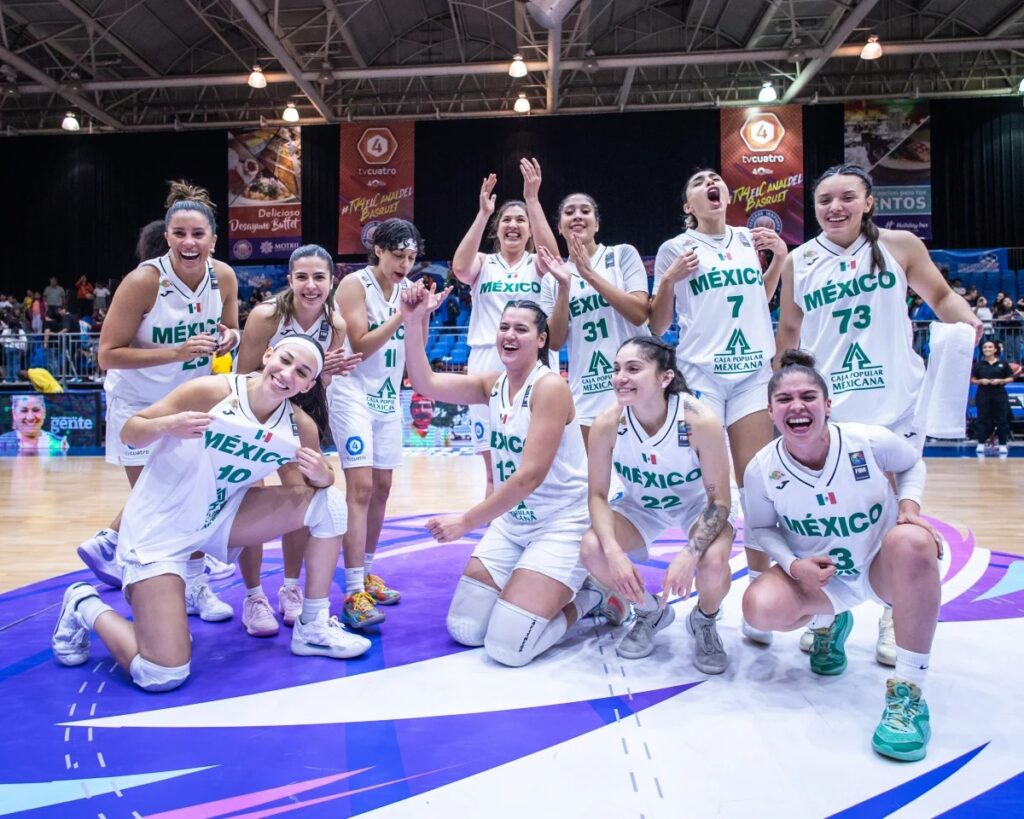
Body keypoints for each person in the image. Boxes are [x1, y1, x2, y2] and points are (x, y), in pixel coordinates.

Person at [51, 338, 371, 692]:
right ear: (268, 355)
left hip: (218, 518)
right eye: (285, 360)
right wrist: (166, 426)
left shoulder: (300, 426)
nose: (287, 374)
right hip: (158, 532)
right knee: (162, 674)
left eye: (301, 372)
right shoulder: (211, 391)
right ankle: (83, 604)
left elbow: (304, 492)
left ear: (308, 385)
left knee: (331, 503)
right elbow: (130, 433)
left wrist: (324, 477)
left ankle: (312, 626)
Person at [774, 163, 980, 664]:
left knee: (895, 515)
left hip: (894, 400)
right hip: (831, 408)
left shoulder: (900, 245)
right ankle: (831, 612)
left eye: (846, 197)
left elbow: (941, 296)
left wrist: (967, 322)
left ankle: (893, 612)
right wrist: (781, 389)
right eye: (824, 200)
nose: (834, 208)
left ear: (869, 201)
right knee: (825, 514)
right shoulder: (799, 262)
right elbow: (788, 334)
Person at [404, 290, 622, 667]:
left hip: (560, 523)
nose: (509, 334)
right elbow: (425, 383)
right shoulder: (492, 384)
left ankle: (595, 596)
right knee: (465, 629)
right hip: (514, 524)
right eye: (504, 326)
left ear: (541, 340)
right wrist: (411, 321)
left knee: (509, 647)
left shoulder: (550, 387)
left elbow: (530, 476)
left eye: (521, 329)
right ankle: (534, 586)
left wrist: (467, 521)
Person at [742, 351, 940, 762]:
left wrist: (909, 508)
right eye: (784, 400)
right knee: (758, 607)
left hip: (878, 569)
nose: (797, 406)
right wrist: (793, 565)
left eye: (809, 396)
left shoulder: (867, 440)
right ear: (771, 412)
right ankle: (829, 621)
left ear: (827, 405)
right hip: (821, 580)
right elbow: (759, 530)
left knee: (913, 542)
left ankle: (909, 694)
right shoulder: (762, 468)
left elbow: (912, 464)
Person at [76, 182, 241, 626]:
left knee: (190, 495)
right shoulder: (144, 281)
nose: (190, 242)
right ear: (166, 236)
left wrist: (230, 337)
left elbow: (232, 329)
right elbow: (107, 355)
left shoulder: (223, 276)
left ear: (213, 239)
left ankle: (126, 551)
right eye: (180, 233)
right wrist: (177, 352)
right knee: (164, 499)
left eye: (198, 234)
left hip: (189, 400)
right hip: (140, 407)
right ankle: (131, 563)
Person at [649, 168, 789, 646]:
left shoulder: (749, 240)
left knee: (756, 486)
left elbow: (759, 300)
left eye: (715, 178)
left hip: (752, 373)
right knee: (710, 488)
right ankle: (703, 603)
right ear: (688, 203)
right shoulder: (675, 247)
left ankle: (757, 599)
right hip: (703, 376)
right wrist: (668, 280)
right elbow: (658, 324)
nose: (710, 182)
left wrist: (779, 261)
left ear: (726, 194)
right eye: (697, 181)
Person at [580, 337, 734, 672]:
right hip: (642, 505)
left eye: (633, 368)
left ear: (665, 377)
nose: (620, 377)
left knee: (712, 563)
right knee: (593, 549)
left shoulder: (699, 420)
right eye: (617, 369)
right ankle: (650, 611)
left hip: (697, 504)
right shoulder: (607, 422)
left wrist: (689, 553)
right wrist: (614, 552)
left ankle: (705, 620)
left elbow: (719, 500)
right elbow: (597, 496)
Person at [233, 244, 357, 636]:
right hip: (257, 413)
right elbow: (243, 375)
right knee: (249, 492)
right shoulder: (266, 315)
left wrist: (327, 373)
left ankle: (290, 588)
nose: (310, 285)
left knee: (303, 497)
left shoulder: (335, 325)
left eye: (319, 277)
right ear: (289, 280)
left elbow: (322, 382)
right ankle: (253, 595)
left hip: (303, 417)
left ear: (331, 281)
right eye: (302, 276)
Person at [329, 219, 421, 628]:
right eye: (398, 255)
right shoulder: (354, 285)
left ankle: (365, 572)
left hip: (386, 398)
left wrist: (421, 317)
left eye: (412, 257)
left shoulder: (408, 290)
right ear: (379, 251)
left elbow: (411, 346)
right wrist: (403, 316)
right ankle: (351, 593)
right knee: (362, 487)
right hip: (351, 394)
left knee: (383, 488)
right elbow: (362, 346)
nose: (405, 264)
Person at [450, 159, 560, 495]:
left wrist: (532, 201)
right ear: (497, 229)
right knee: (491, 463)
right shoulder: (483, 263)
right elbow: (458, 267)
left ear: (529, 230)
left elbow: (553, 255)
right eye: (506, 220)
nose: (513, 225)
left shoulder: (537, 265)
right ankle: (495, 530)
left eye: (520, 221)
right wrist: (483, 213)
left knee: (535, 451)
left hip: (534, 362)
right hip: (487, 358)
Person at [539, 191, 650, 444]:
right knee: (596, 480)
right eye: (569, 212)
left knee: (640, 474)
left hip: (635, 381)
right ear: (559, 227)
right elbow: (554, 342)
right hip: (587, 388)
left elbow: (639, 313)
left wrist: (589, 275)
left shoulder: (623, 255)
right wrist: (565, 287)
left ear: (597, 223)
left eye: (585, 211)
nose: (577, 216)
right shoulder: (552, 279)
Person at [971, 339, 1013, 456]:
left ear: (995, 349)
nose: (987, 349)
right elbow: (973, 379)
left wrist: (1001, 380)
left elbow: (1010, 377)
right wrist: (980, 380)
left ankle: (1003, 444)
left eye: (990, 347)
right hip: (983, 393)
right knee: (983, 419)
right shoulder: (979, 364)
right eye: (985, 347)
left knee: (1001, 419)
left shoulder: (1003, 364)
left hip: (999, 393)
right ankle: (981, 443)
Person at [0, 394, 68, 455]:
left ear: (44, 412)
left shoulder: (59, 444)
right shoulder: (2, 443)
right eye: (24, 411)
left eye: (36, 410)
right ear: (14, 413)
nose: (30, 417)